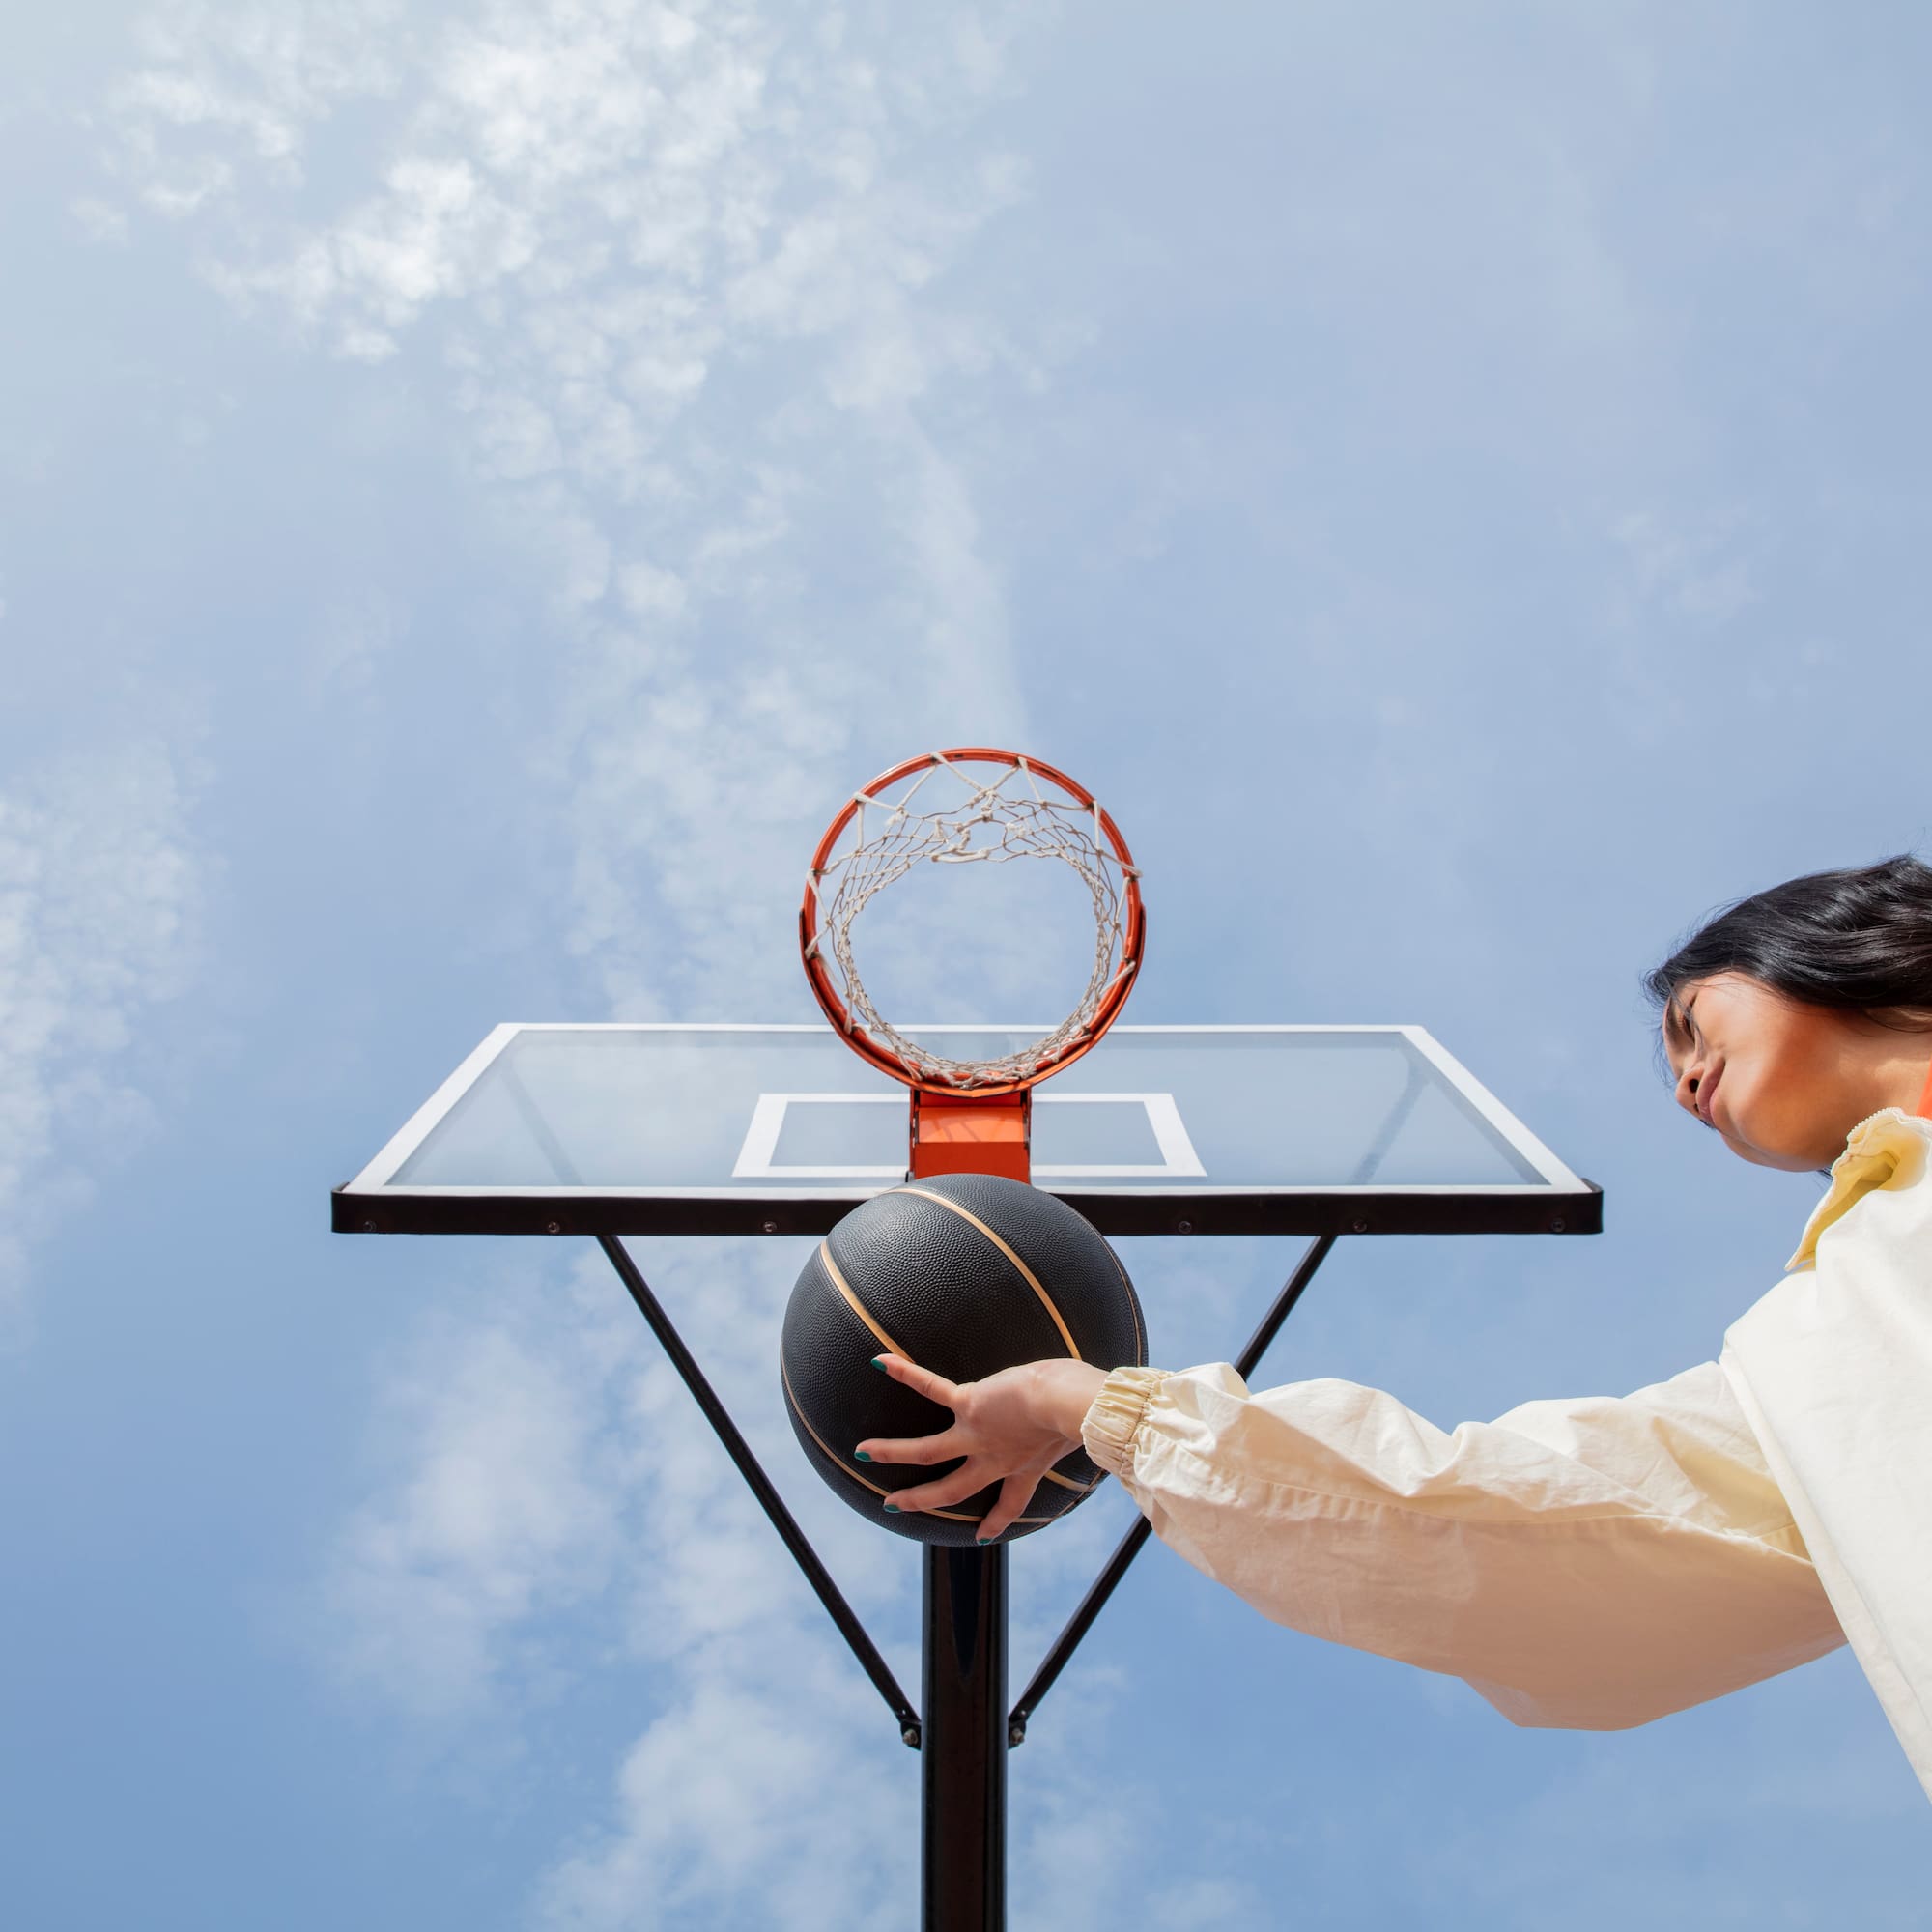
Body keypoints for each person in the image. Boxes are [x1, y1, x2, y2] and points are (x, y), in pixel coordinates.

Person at [858, 856, 1932, 1799]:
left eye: (1695, 1024)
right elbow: (1517, 1524)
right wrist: (1085, 1401)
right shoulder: (1813, 1354)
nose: (1685, 1079)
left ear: (1830, 943)